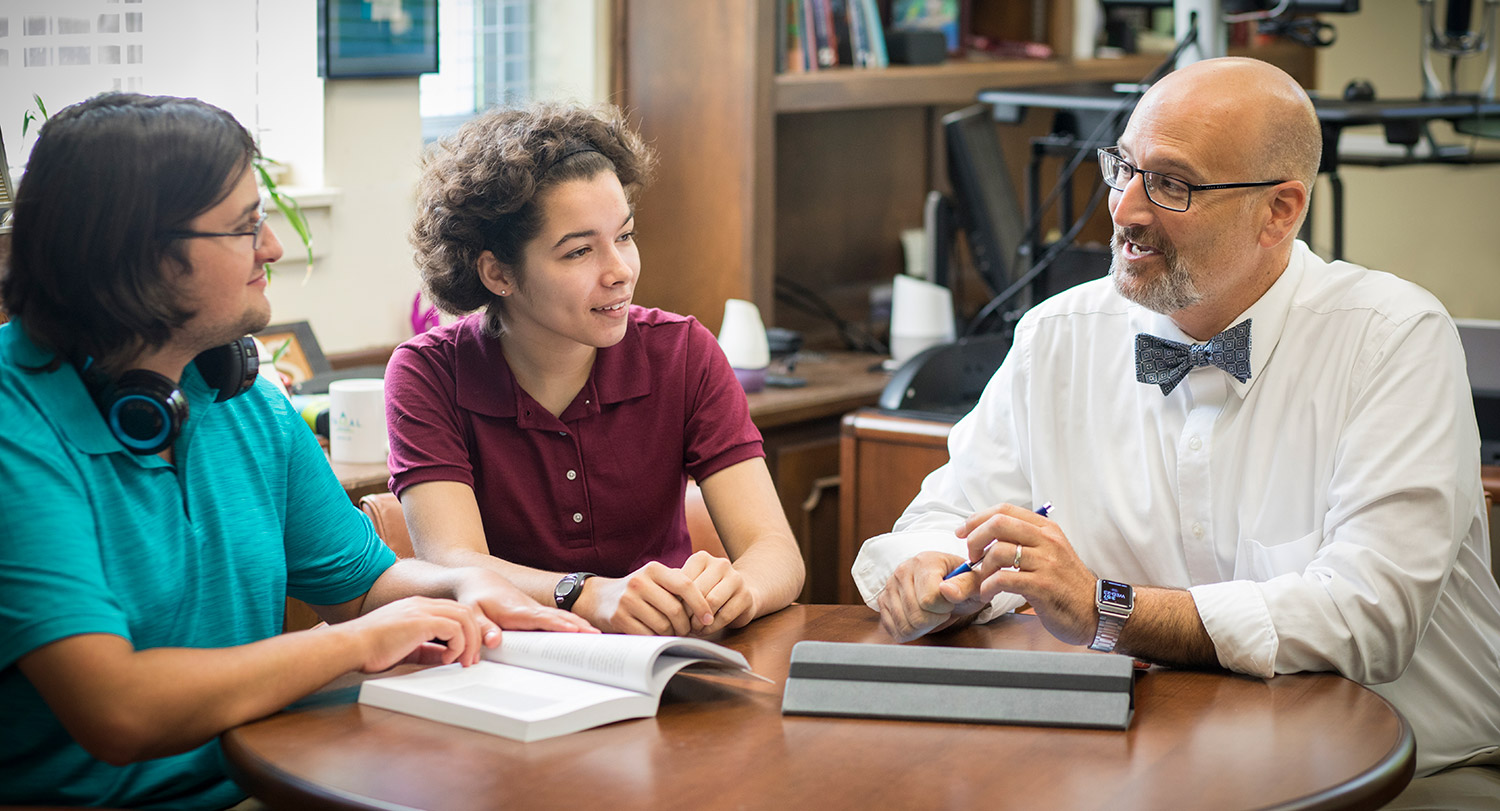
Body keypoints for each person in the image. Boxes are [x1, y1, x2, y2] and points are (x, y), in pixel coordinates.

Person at [853, 57, 1500, 803]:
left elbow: (1369, 615)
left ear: (1280, 211)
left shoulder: (1394, 339)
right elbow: (940, 521)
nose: (1125, 210)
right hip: (1148, 762)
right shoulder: (1057, 336)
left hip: (1408, 772)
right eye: (1122, 168)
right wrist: (943, 577)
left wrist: (1107, 606)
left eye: (1172, 184)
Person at [0, 93, 594, 810]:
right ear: (142, 254)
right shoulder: (14, 424)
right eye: (247, 226)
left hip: (266, 786)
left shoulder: (238, 391)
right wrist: (353, 645)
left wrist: (463, 589)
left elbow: (361, 586)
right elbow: (118, 709)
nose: (274, 247)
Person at [387, 102, 805, 637]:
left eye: (625, 236)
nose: (620, 272)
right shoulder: (428, 374)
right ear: (497, 273)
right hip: (507, 664)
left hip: (666, 655)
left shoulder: (683, 352)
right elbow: (452, 561)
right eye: (579, 251)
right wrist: (586, 594)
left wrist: (738, 590)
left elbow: (777, 554)